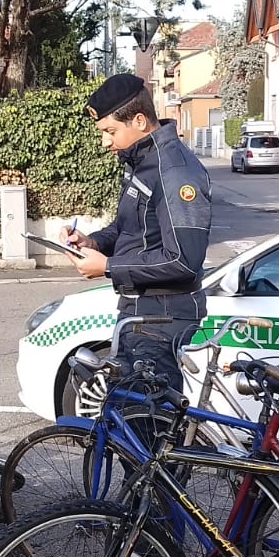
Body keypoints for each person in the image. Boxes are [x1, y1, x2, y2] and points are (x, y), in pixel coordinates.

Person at [63, 73, 211, 395]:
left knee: (146, 427)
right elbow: (129, 229)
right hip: (140, 313)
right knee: (128, 421)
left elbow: (184, 260)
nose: (105, 142)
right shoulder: (142, 162)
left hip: (163, 320)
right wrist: (93, 243)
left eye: (110, 131)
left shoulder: (173, 171)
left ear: (140, 121)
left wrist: (107, 267)